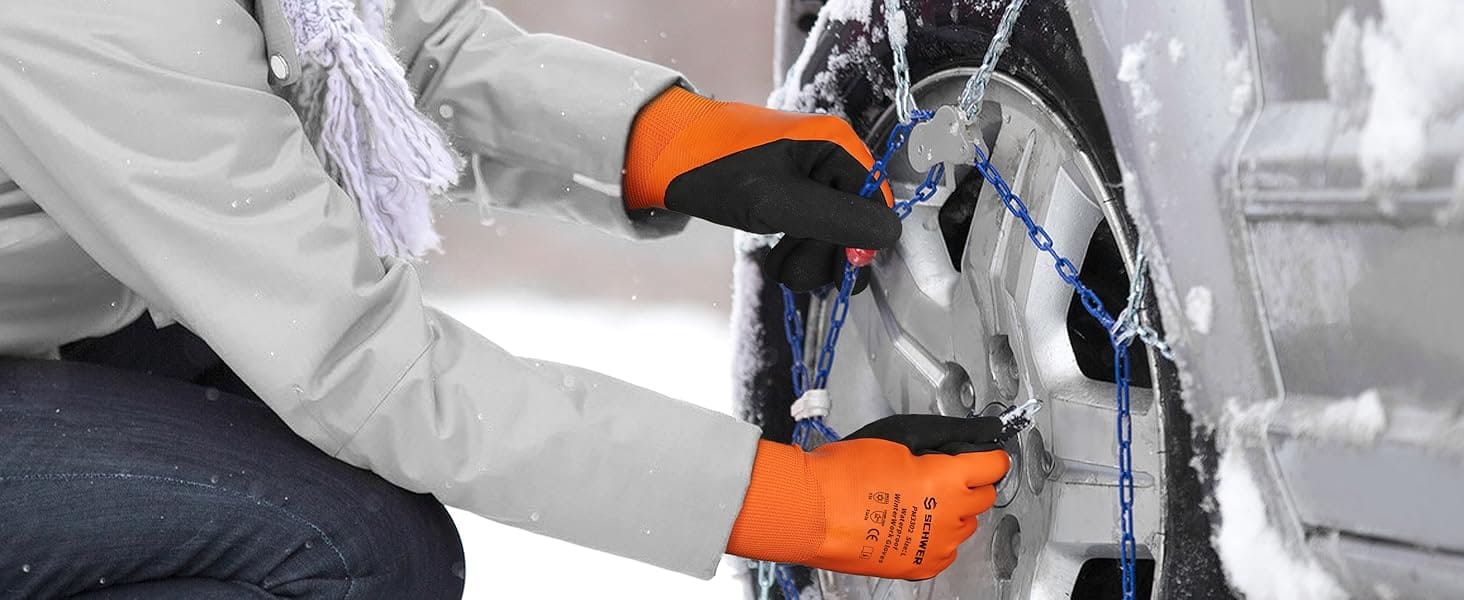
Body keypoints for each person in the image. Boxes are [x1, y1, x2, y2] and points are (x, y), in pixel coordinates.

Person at [0, 1, 1011, 597]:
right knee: (352, 553)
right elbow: (366, 369)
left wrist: (662, 141)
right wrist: (797, 504)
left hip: (82, 312)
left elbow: (386, 49)